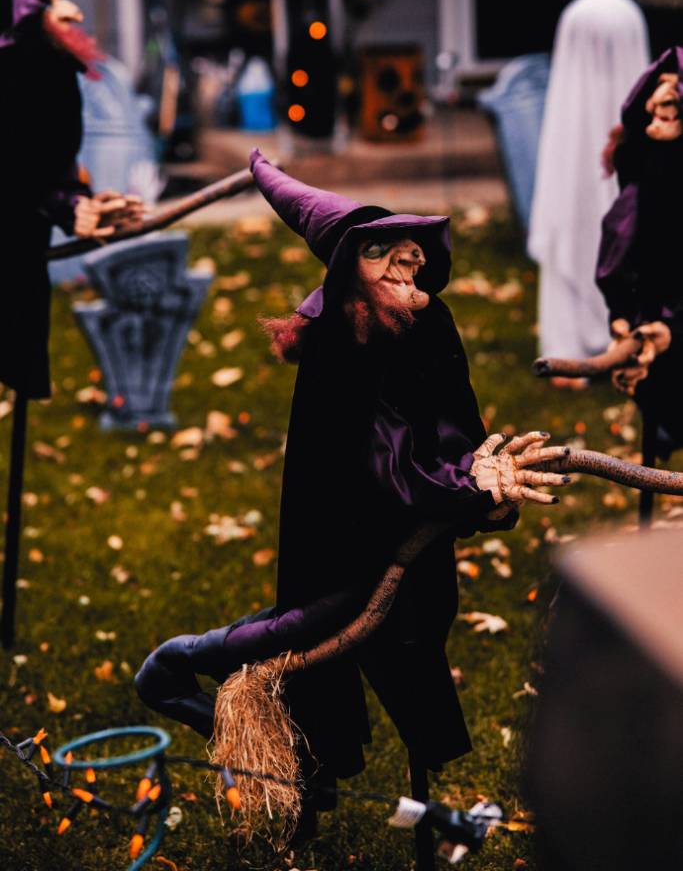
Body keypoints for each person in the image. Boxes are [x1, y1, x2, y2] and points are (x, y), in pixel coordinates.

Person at [136, 152, 570, 841]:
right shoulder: (343, 343)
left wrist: (484, 484)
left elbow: (454, 431)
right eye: (380, 250)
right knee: (266, 655)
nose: (407, 257)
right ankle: (217, 705)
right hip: (345, 558)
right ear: (346, 273)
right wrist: (464, 486)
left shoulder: (429, 327)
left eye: (412, 249)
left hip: (403, 553)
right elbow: (381, 469)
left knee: (400, 652)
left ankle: (297, 766)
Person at [0, 0, 144, 400]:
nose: (73, 13)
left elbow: (40, 163)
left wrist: (75, 202)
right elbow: (25, 168)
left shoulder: (48, 71)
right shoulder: (40, 69)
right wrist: (65, 201)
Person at [528, 0, 650, 387]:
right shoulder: (645, 118)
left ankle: (573, 342)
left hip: (580, 148)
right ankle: (625, 336)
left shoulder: (567, 111)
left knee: (574, 215)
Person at [597, 46, 683, 459]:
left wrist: (675, 329)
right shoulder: (646, 163)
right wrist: (622, 315)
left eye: (674, 92)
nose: (663, 101)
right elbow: (622, 243)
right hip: (653, 309)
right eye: (658, 90)